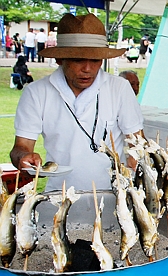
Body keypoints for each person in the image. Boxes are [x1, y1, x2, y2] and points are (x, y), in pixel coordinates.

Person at [10, 13, 143, 192]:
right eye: (78, 60)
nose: (87, 69)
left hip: (114, 194)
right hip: (60, 194)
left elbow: (136, 143)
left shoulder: (119, 88)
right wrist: (24, 157)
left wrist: (134, 184)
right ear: (59, 59)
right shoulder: (36, 92)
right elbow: (21, 146)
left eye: (95, 60)